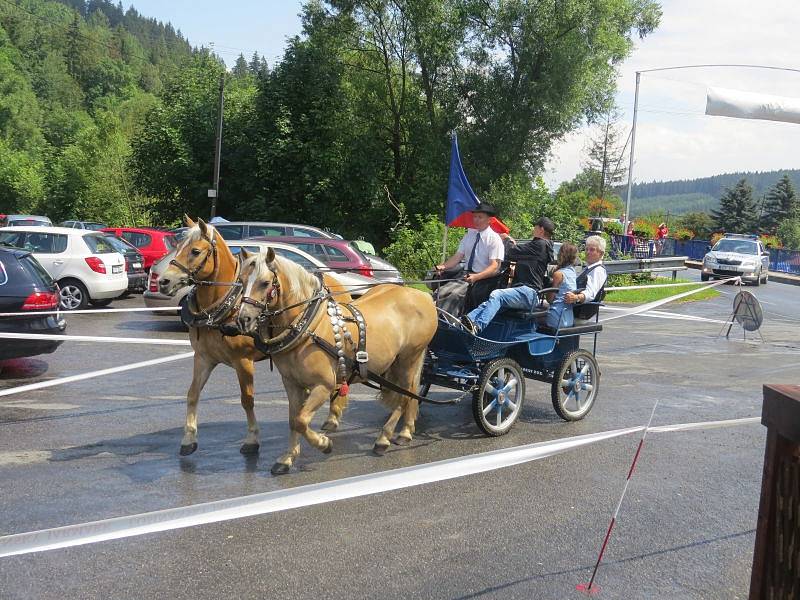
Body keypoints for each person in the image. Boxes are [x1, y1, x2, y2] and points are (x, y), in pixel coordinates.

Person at [461, 217, 556, 334]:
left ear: (541, 229)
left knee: (498, 295)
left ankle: (478, 326)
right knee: (489, 303)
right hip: (523, 291)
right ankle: (464, 322)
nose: (533, 228)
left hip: (529, 292)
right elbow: (514, 255)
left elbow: (512, 251)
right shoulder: (540, 246)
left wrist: (506, 239)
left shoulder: (540, 245)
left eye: (535, 226)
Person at [434, 203, 504, 316]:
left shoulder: (494, 239)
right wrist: (443, 266)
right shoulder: (469, 236)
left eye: (480, 217)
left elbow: (495, 266)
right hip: (465, 275)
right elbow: (458, 257)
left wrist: (477, 277)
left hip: (483, 279)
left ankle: (446, 321)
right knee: (440, 291)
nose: (476, 220)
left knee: (455, 294)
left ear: (489, 220)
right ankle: (432, 315)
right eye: (475, 216)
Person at [564, 235, 607, 318]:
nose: (587, 252)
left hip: (579, 312)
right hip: (572, 307)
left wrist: (576, 297)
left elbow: (590, 293)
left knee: (538, 313)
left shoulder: (598, 270)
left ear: (601, 253)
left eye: (592, 250)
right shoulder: (588, 269)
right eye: (586, 249)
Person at [541, 243, 578, 330]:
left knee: (534, 316)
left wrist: (547, 288)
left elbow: (550, 299)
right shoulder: (573, 273)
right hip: (568, 318)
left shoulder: (558, 274)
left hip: (557, 318)